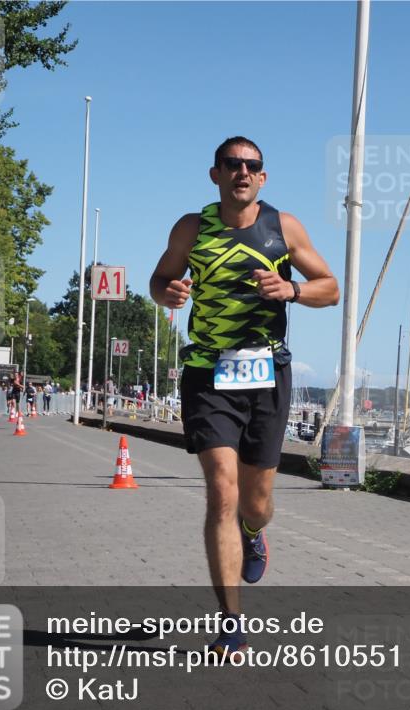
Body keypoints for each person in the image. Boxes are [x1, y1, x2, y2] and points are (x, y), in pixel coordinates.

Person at [150, 136, 339, 657]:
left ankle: (254, 533)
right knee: (223, 492)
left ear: (263, 177)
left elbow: (331, 286)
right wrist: (167, 291)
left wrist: (292, 290)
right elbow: (159, 277)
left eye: (252, 166)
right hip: (208, 372)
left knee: (254, 502)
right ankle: (230, 623)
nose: (242, 172)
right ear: (215, 174)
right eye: (232, 164)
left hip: (266, 374)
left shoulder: (283, 227)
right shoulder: (192, 227)